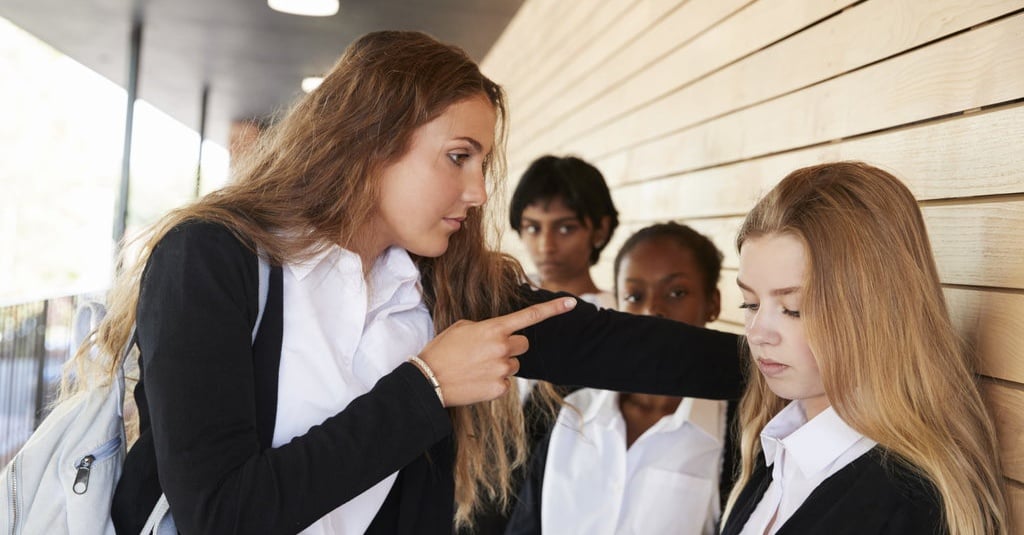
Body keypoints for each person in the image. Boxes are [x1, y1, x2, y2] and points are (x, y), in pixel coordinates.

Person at [62, 31, 743, 535]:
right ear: (370, 142)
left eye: (481, 162)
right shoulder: (212, 259)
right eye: (457, 157)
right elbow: (219, 512)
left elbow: (610, 344)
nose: (478, 191)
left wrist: (789, 356)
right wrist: (425, 386)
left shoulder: (439, 286)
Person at [720, 162, 1007, 534]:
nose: (758, 333)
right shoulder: (777, 449)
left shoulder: (912, 506)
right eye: (750, 304)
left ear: (875, 310)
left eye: (794, 309)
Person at [506, 222, 737, 535]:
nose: (653, 309)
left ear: (713, 303)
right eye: (634, 296)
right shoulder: (564, 408)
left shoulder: (735, 433)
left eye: (676, 293)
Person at [509, 155, 619, 309]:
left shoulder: (617, 311)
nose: (546, 246)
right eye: (533, 228)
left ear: (601, 229)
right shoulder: (505, 298)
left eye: (565, 228)